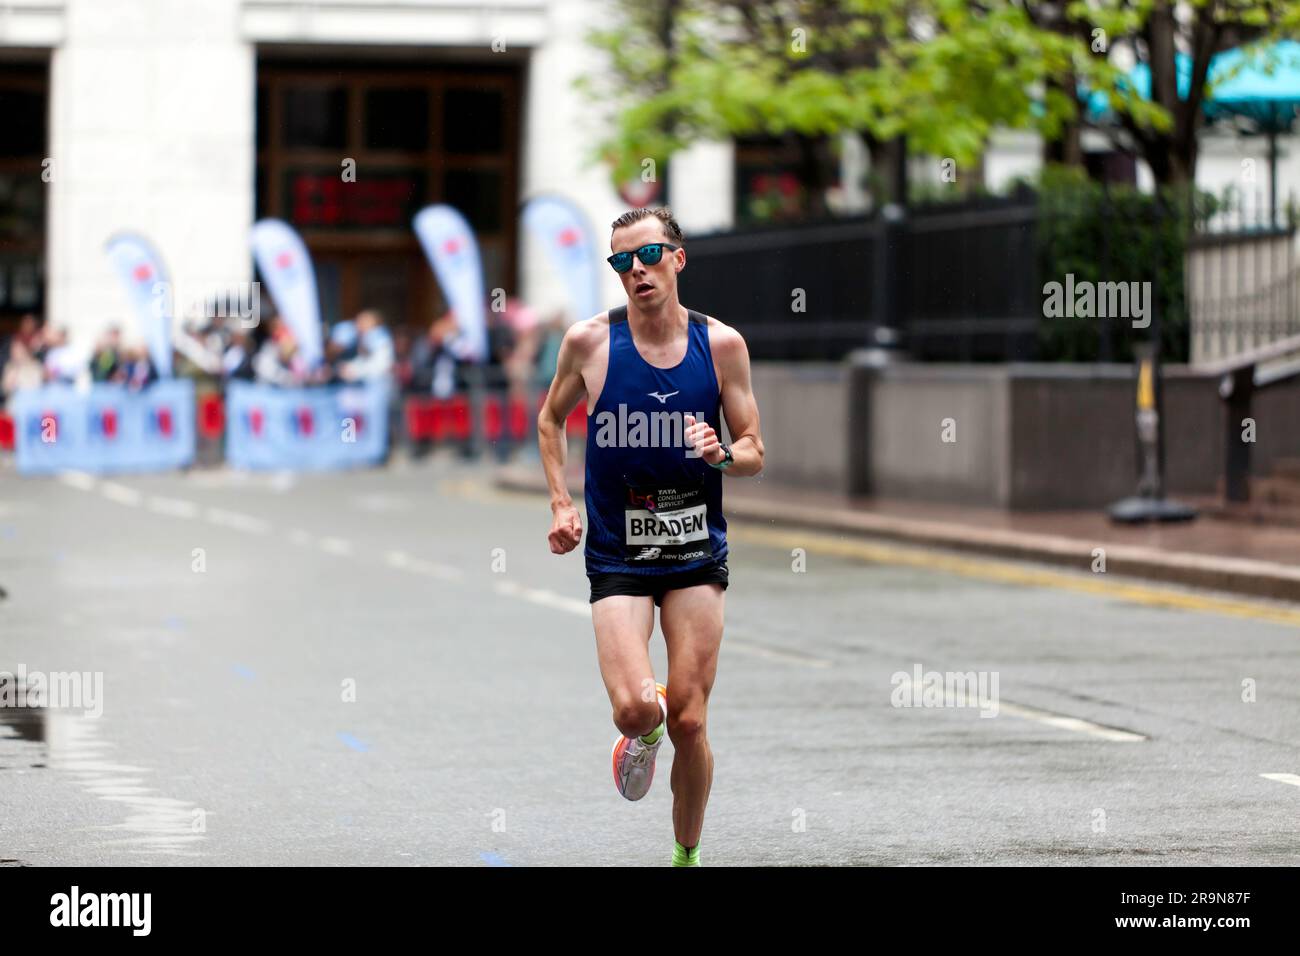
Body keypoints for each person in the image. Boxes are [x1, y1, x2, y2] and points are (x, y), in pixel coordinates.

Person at [537, 206, 765, 867]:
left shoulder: (721, 346)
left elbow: (754, 449)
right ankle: (643, 726)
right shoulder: (589, 343)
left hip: (695, 554)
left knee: (691, 721)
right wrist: (560, 504)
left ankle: (686, 855)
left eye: (648, 256)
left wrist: (722, 454)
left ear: (677, 259)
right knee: (639, 710)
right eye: (621, 262)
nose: (636, 271)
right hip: (618, 555)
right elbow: (550, 422)